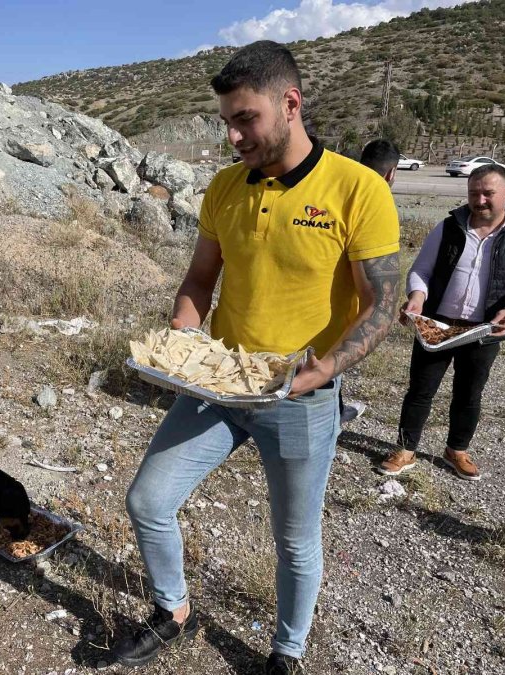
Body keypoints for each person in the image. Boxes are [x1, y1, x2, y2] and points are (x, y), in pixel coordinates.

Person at [114, 41, 400, 674]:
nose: (234, 136)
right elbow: (198, 281)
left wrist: (321, 373)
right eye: (227, 122)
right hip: (218, 385)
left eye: (245, 120)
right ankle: (172, 612)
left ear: (289, 104)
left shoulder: (356, 190)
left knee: (295, 541)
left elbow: (383, 303)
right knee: (148, 500)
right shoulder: (224, 189)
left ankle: (286, 652)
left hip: (299, 395)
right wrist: (181, 341)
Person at [378, 164, 505, 480]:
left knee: (469, 393)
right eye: (473, 193)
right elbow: (421, 270)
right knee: (420, 389)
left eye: (488, 194)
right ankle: (405, 448)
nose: (479, 200)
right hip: (437, 324)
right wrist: (417, 296)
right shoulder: (448, 227)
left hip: (484, 329)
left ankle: (457, 450)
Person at [337, 139, 403, 423]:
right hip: (347, 311)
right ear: (391, 173)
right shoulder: (377, 198)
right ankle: (335, 417)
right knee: (330, 366)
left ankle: (336, 411)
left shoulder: (340, 187)